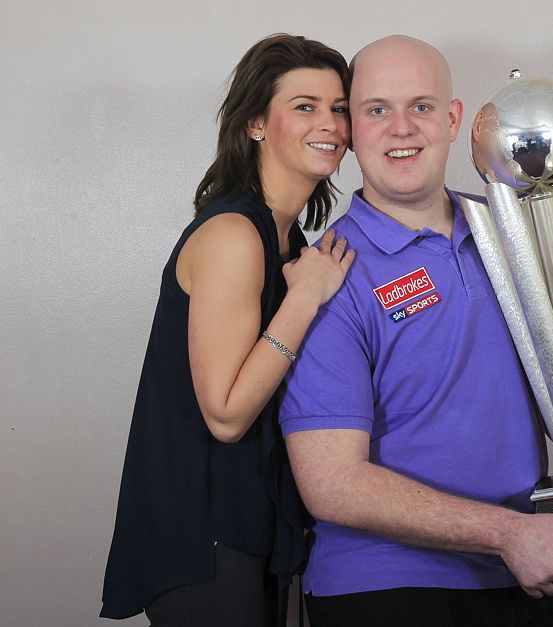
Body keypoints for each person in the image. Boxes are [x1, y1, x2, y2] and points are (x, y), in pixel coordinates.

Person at [279, 35, 553, 627]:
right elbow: (332, 483)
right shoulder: (329, 275)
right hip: (388, 583)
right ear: (352, 128)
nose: (401, 128)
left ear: (454, 121)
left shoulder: (515, 235)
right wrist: (505, 533)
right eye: (376, 110)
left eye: (421, 106)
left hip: (529, 560)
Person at [100, 34, 354, 627]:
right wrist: (306, 298)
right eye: (305, 106)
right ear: (256, 124)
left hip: (255, 524)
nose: (331, 124)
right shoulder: (235, 236)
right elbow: (226, 413)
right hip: (203, 538)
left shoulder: (289, 241)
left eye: (339, 107)